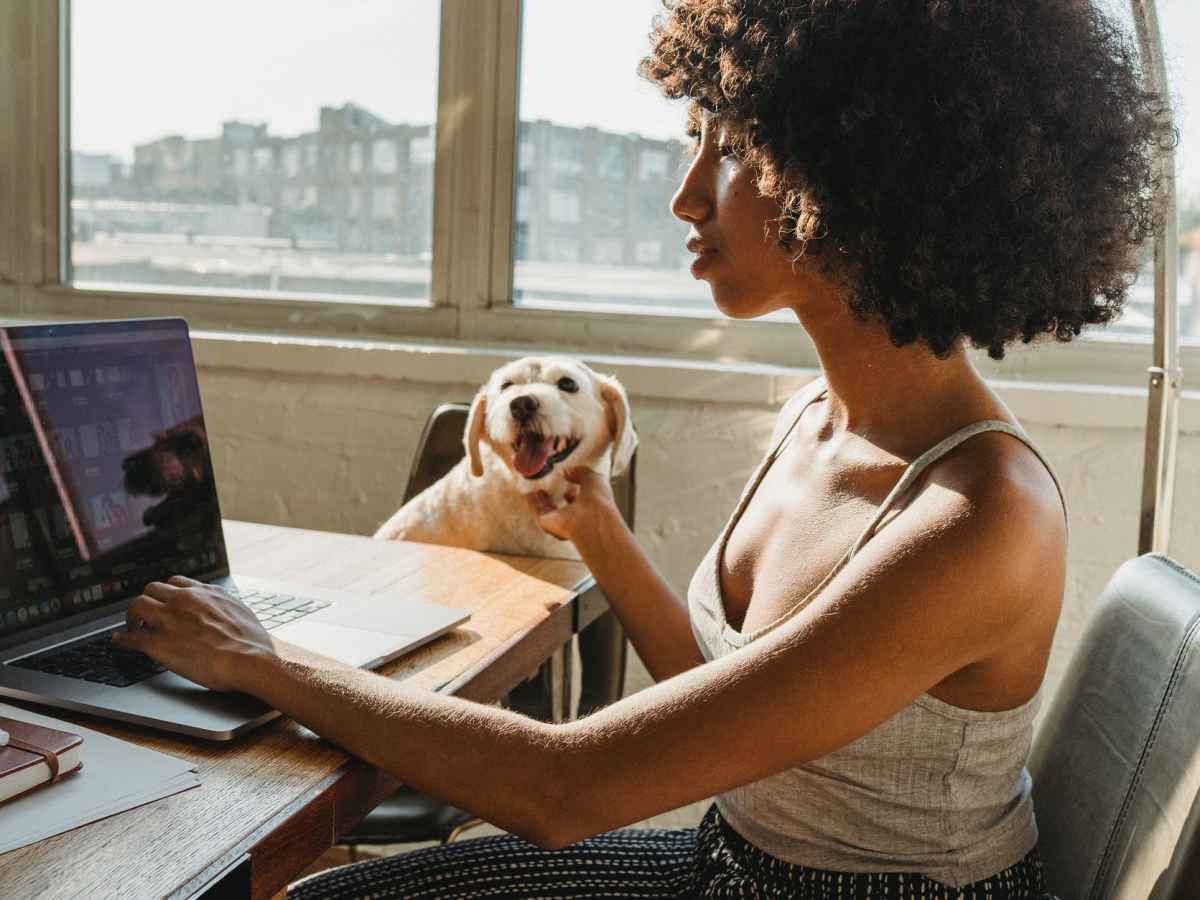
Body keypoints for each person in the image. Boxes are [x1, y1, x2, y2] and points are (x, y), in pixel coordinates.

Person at [111, 1, 1173, 897]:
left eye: (733, 147)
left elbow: (569, 789)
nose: (686, 193)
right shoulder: (817, 417)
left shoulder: (979, 520)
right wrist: (601, 532)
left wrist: (264, 659)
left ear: (868, 175)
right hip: (732, 858)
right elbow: (718, 692)